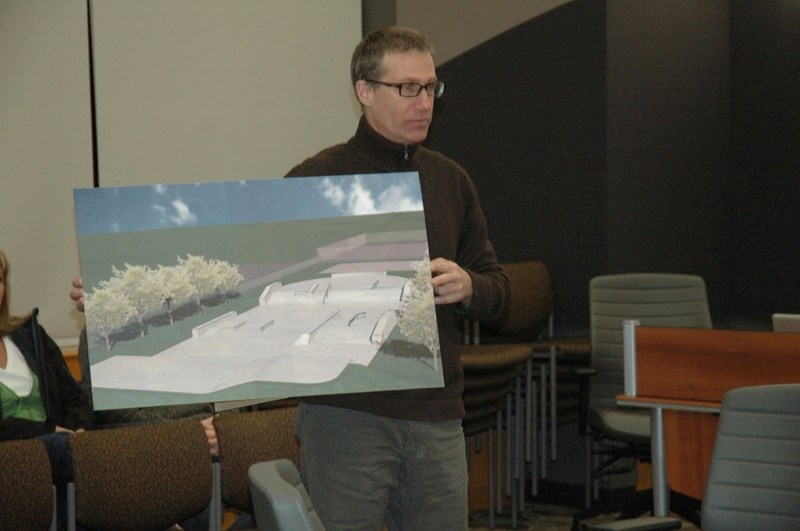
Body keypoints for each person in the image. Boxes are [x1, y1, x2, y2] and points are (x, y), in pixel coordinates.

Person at [282, 26, 511, 530]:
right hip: (347, 417)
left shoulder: (451, 180)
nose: (423, 101)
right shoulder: (315, 181)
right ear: (365, 91)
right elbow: (258, 286)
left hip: (438, 418)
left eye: (431, 87)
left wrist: (470, 287)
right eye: (407, 88)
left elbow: (499, 294)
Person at [1, 249, 91, 442]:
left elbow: (74, 398)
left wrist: (79, 431)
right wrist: (47, 431)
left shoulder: (31, 336)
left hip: (60, 452)